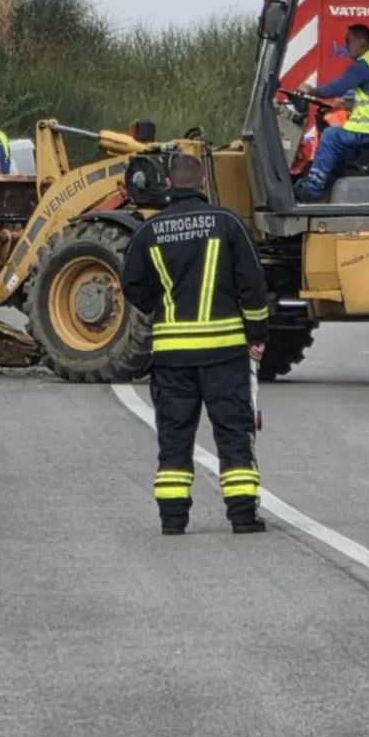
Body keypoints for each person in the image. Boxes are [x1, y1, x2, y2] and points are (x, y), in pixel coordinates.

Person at [120, 153, 269, 535]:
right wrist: (257, 335)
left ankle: (173, 520)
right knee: (233, 434)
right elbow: (252, 285)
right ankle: (242, 516)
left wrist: (157, 305)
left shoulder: (149, 231)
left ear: (169, 184)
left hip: (171, 357)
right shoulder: (227, 223)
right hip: (224, 356)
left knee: (174, 439)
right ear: (202, 183)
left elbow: (132, 283)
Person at [295, 24, 369, 200]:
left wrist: (312, 91)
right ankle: (331, 182)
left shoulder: (365, 65)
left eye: (348, 42)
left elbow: (338, 86)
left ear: (361, 42)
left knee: (331, 137)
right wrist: (345, 104)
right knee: (340, 146)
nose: (346, 47)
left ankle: (312, 189)